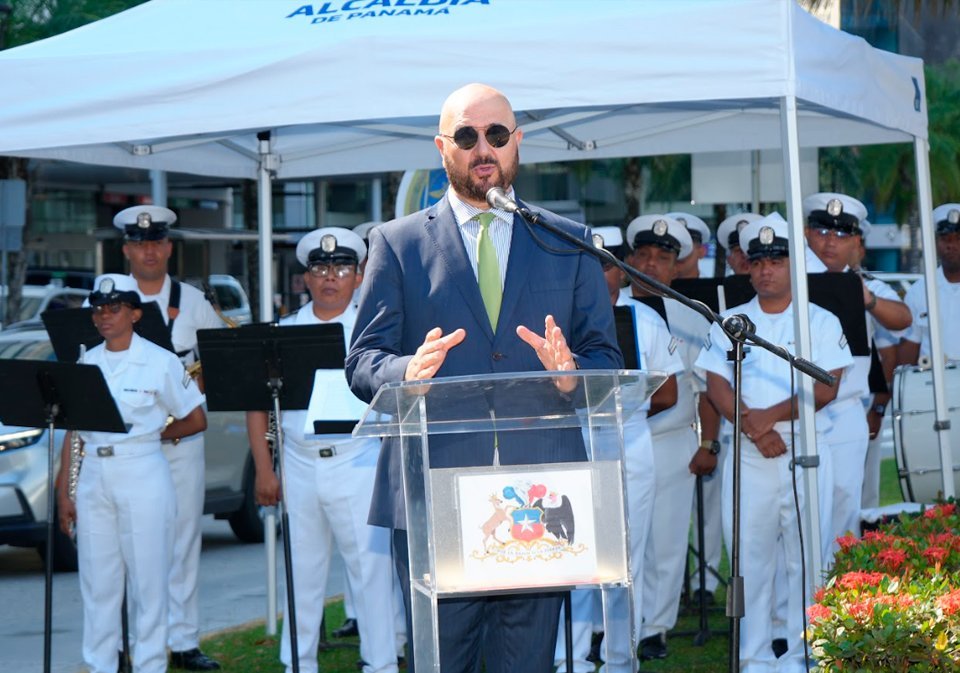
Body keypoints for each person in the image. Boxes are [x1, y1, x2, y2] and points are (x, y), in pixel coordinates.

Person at [345, 83, 623, 673]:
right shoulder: (396, 244)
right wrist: (406, 373)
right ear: (442, 147)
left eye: (497, 134)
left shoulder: (567, 240)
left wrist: (573, 377)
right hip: (435, 488)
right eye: (467, 136)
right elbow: (364, 358)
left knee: (526, 663)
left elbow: (605, 357)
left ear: (517, 142)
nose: (483, 148)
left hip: (540, 494)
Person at [695, 213, 852, 673]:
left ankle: (805, 653)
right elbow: (715, 384)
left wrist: (772, 418)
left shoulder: (818, 320)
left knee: (807, 559)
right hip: (750, 455)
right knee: (750, 559)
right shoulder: (730, 321)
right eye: (758, 260)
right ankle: (754, 656)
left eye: (777, 260)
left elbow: (827, 386)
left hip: (802, 451)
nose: (766, 269)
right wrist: (752, 426)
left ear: (794, 264)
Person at [246, 227, 399, 673]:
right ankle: (299, 663)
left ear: (358, 276)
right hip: (298, 462)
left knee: (371, 574)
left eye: (341, 268)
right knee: (301, 576)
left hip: (358, 459)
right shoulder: (283, 332)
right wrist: (263, 469)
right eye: (320, 268)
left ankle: (381, 664)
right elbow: (258, 403)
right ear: (305, 279)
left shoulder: (374, 331)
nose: (330, 276)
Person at [56, 274, 206, 673]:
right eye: (99, 309)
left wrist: (155, 434)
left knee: (148, 583)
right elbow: (74, 433)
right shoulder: (86, 362)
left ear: (135, 313)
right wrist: (64, 492)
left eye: (115, 307)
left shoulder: (160, 361)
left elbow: (194, 419)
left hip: (142, 470)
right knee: (97, 584)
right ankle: (101, 664)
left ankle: (150, 665)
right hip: (93, 476)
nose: (105, 315)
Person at [555, 226, 680, 673]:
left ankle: (620, 658)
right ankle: (568, 657)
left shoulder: (643, 319)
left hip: (629, 441)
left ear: (621, 272)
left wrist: (621, 410)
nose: (600, 273)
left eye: (606, 264)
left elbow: (669, 393)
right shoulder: (558, 321)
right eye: (591, 264)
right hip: (574, 440)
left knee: (626, 557)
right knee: (571, 550)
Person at [112, 205, 225, 671]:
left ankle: (183, 640)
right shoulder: (108, 301)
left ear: (169, 247)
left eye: (157, 242)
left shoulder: (193, 301)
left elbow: (216, 360)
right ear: (126, 250)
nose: (149, 250)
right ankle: (131, 641)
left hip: (182, 440)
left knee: (182, 540)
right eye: (140, 243)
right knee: (124, 546)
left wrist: (191, 390)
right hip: (128, 445)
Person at [619, 214, 712, 661]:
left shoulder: (691, 316)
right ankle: (617, 624)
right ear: (629, 259)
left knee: (667, 539)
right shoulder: (608, 305)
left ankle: (655, 627)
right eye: (643, 255)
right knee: (620, 538)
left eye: (663, 258)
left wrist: (708, 443)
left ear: (677, 267)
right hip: (619, 439)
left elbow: (709, 384)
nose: (651, 264)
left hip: (673, 437)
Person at [802, 192, 911, 560]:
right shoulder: (791, 280)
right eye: (821, 231)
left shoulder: (862, 284)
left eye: (840, 234)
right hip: (796, 408)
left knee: (845, 500)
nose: (830, 241)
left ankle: (838, 590)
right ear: (806, 233)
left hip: (846, 408)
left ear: (854, 242)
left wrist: (868, 301)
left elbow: (903, 319)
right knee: (799, 504)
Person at [899, 202, 960, 365]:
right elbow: (909, 348)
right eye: (945, 239)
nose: (951, 245)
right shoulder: (919, 291)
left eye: (958, 239)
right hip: (931, 386)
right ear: (935, 243)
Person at [667, 212, 711, 279]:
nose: (679, 253)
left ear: (702, 251)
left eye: (685, 247)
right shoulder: (650, 288)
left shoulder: (713, 288)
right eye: (670, 246)